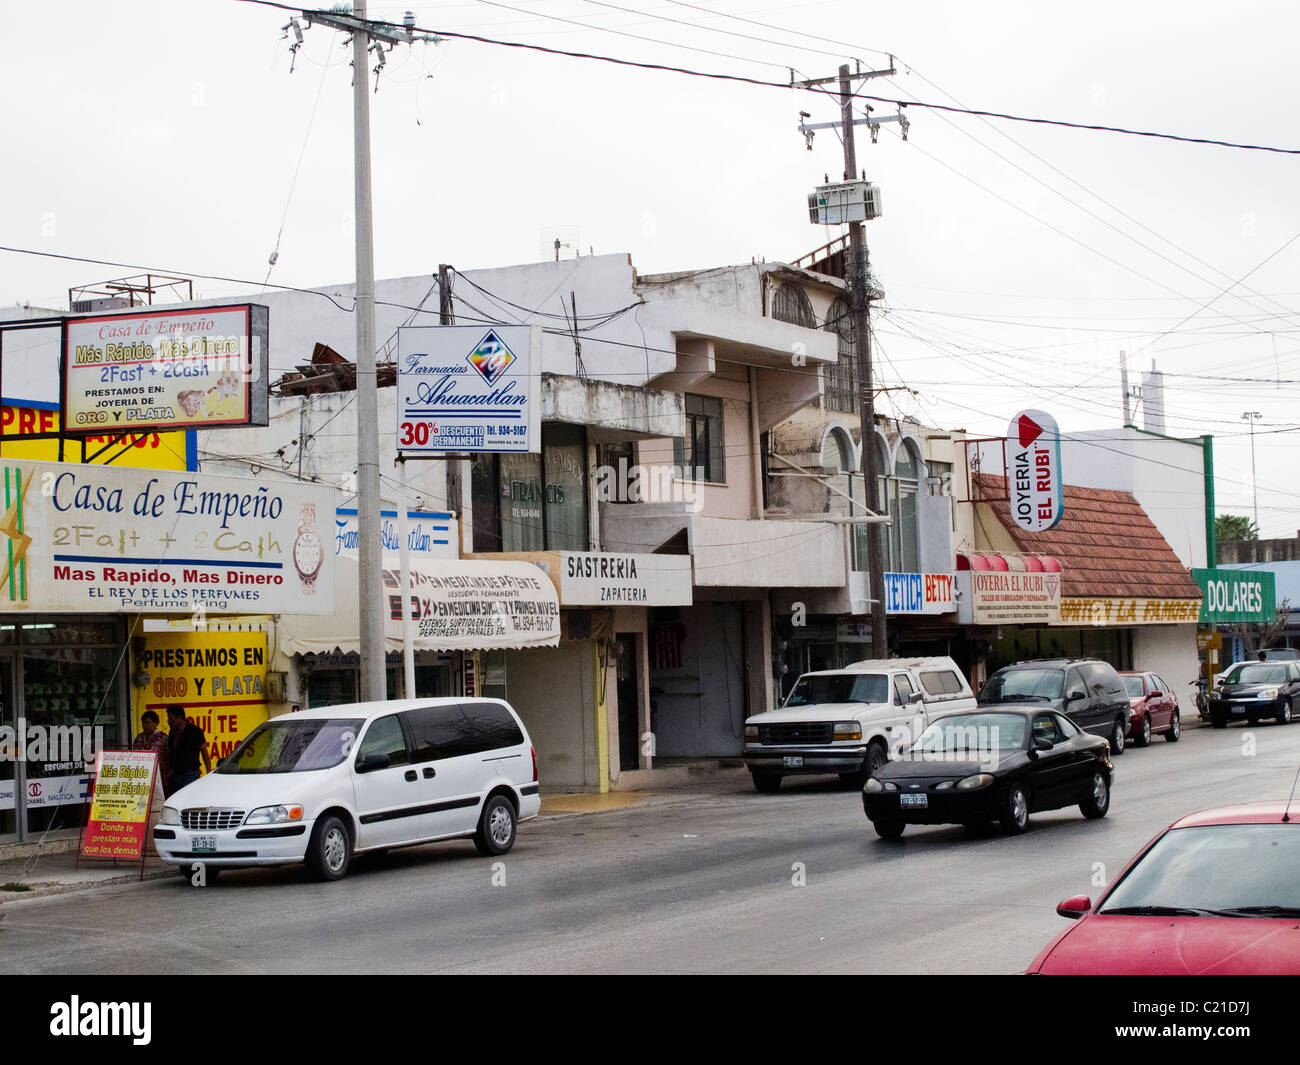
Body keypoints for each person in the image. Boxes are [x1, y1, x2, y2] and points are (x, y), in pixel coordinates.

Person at [167, 704, 211, 793]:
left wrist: (208, 772)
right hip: (176, 775)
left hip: (190, 774)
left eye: (171, 718)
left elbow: (204, 752)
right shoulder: (172, 733)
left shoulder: (195, 731)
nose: (168, 721)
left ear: (179, 717)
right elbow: (172, 755)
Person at [132, 710, 172, 796]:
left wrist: (167, 776)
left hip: (159, 776)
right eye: (143, 723)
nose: (145, 725)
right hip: (142, 775)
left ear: (156, 723)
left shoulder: (163, 738)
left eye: (148, 723)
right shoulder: (139, 738)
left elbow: (169, 757)